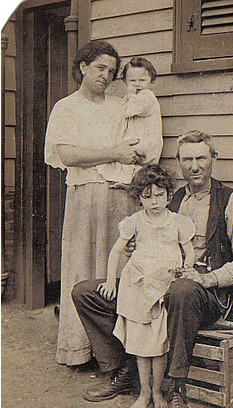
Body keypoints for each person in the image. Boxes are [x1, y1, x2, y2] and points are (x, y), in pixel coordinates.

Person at [72, 130, 233, 408]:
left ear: (214, 159)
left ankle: (176, 389)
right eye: (187, 159)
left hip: (204, 295)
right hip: (156, 284)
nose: (195, 166)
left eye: (201, 157)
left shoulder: (230, 200)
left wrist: (208, 278)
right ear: (179, 162)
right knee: (85, 293)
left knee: (182, 290)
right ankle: (123, 370)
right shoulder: (168, 199)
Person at [44, 41, 144, 368]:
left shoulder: (119, 105)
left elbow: (138, 141)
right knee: (83, 267)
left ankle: (118, 356)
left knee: (115, 269)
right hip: (85, 198)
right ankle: (80, 351)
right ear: (84, 66)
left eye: (112, 72)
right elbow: (69, 155)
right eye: (100, 68)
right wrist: (115, 153)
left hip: (119, 196)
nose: (106, 75)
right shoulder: (67, 108)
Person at [97, 165, 195, 408]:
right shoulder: (135, 222)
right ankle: (143, 392)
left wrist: (188, 268)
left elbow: (189, 249)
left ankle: (158, 391)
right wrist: (110, 281)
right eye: (148, 196)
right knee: (142, 346)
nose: (155, 201)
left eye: (160, 195)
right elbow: (116, 250)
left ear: (169, 195)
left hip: (163, 288)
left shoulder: (177, 222)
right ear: (139, 198)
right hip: (139, 288)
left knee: (159, 344)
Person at [97, 57, 163, 186]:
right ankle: (127, 181)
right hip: (136, 137)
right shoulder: (132, 98)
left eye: (142, 80)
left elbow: (134, 108)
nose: (137, 84)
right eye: (132, 81)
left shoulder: (147, 96)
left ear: (151, 81)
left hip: (146, 139)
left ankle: (129, 181)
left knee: (136, 158)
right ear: (125, 81)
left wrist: (131, 94)